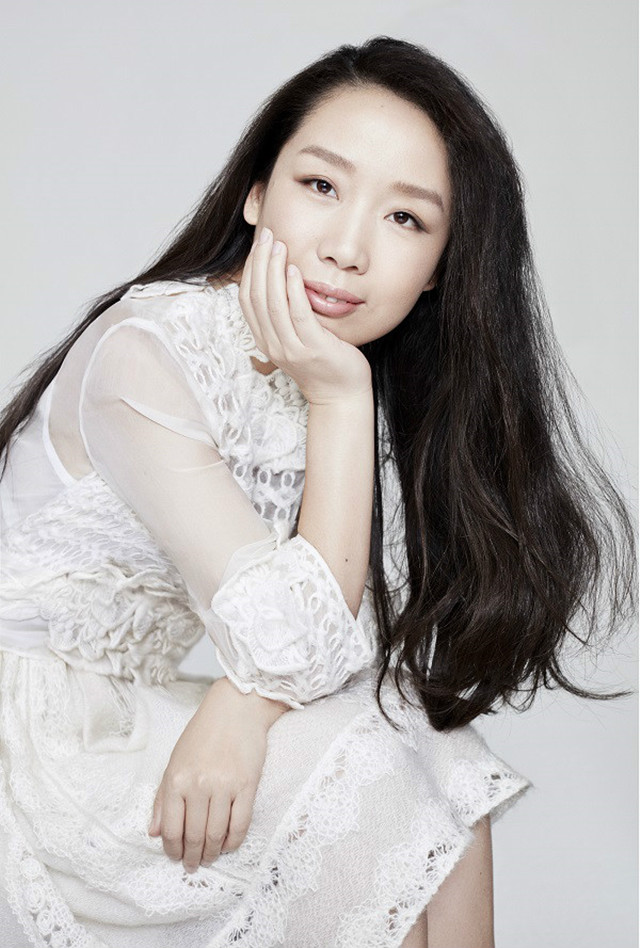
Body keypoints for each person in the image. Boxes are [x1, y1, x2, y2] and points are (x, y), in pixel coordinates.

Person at [0, 35, 635, 948]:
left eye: (405, 218)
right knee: (378, 772)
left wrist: (244, 702)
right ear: (257, 193)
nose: (345, 248)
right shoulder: (152, 354)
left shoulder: (321, 366)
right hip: (37, 740)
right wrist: (340, 399)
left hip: (132, 715)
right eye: (322, 185)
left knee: (426, 747)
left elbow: (338, 642)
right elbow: (299, 639)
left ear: (442, 267)